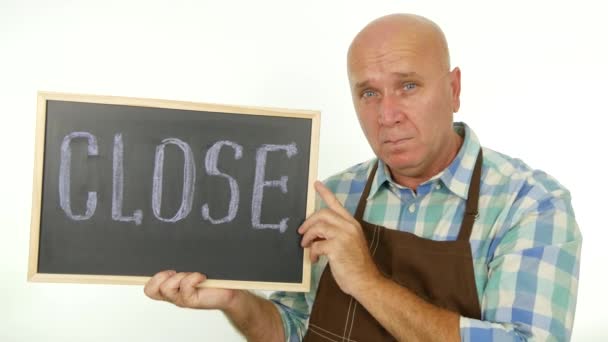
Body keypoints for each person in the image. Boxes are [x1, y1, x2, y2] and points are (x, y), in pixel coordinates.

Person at [144, 13, 582, 341]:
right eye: (368, 93)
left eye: (408, 85)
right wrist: (235, 301)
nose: (387, 115)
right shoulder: (330, 197)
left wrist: (366, 281)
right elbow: (297, 331)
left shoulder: (530, 204)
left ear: (453, 90)